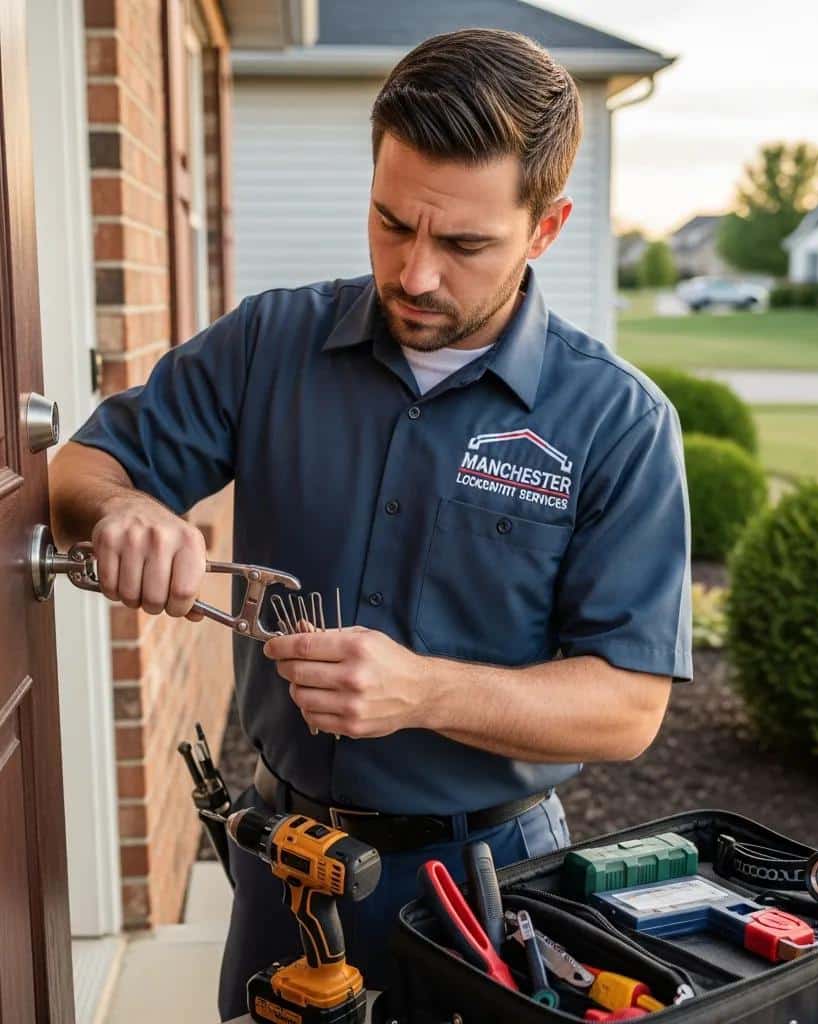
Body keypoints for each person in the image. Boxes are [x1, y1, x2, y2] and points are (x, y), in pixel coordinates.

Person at [49, 28, 691, 1021]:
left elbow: (624, 706)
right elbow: (80, 467)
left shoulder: (617, 422)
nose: (417, 273)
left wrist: (421, 688)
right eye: (392, 223)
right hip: (288, 865)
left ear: (546, 227)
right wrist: (124, 508)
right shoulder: (270, 343)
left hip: (492, 884)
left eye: (464, 243)